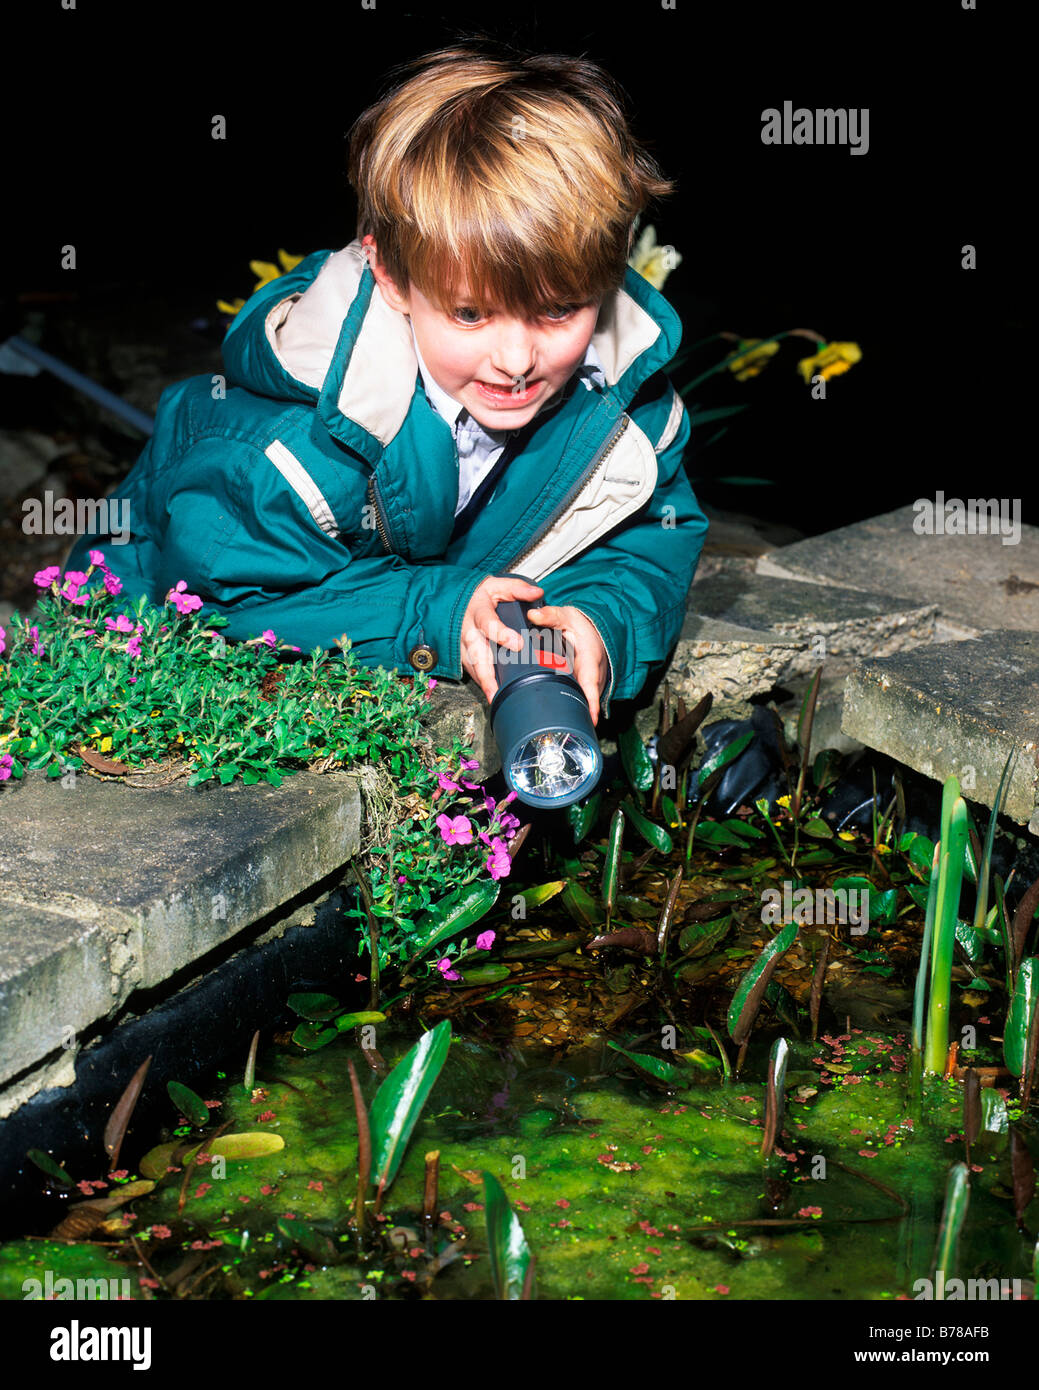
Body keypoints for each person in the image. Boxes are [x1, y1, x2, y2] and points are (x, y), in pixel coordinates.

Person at [66, 39, 709, 728]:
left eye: (557, 309)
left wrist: (597, 621)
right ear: (394, 278)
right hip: (130, 650)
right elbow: (224, 599)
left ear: (607, 281)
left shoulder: (629, 421)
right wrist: (434, 610)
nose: (517, 359)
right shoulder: (284, 448)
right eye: (470, 313)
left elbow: (646, 540)